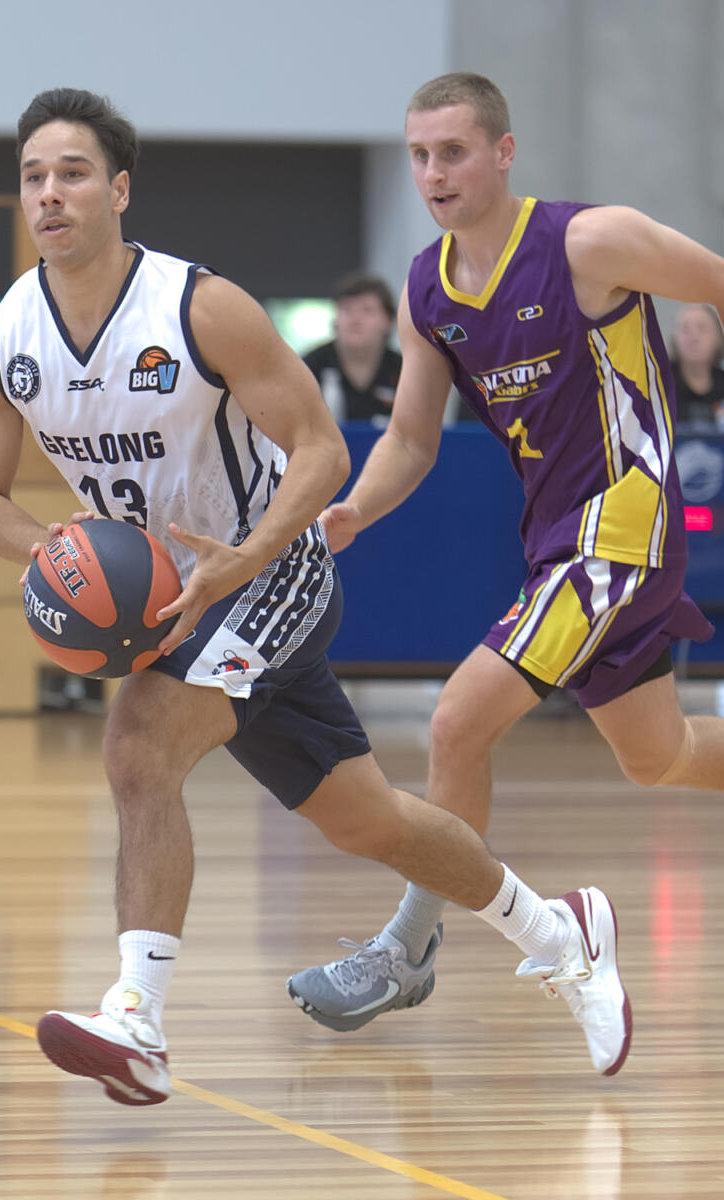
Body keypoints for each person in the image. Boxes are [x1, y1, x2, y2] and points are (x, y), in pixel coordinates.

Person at [0, 86, 632, 1107]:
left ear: (120, 189)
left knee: (139, 744)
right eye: (34, 177)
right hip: (173, 602)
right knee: (369, 822)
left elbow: (320, 450)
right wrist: (51, 546)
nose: (51, 193)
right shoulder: (1, 335)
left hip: (274, 568)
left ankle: (136, 1018)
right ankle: (560, 932)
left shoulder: (199, 307)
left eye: (74, 172)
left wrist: (243, 555)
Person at [286, 72, 724, 1041]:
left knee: (455, 725)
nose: (432, 173)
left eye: (452, 152)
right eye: (418, 155)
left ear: (503, 152)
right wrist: (356, 508)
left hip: (628, 523)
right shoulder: (427, 289)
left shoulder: (586, 242)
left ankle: (408, 948)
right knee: (664, 755)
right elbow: (410, 438)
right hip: (556, 540)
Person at [302, 272, 401, 423]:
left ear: (388, 321)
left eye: (367, 310)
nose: (355, 319)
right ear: (335, 319)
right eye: (346, 309)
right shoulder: (309, 367)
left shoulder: (403, 369)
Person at [669, 303, 724, 426]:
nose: (694, 338)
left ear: (718, 337)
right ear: (674, 339)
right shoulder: (658, 384)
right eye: (685, 330)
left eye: (703, 329)